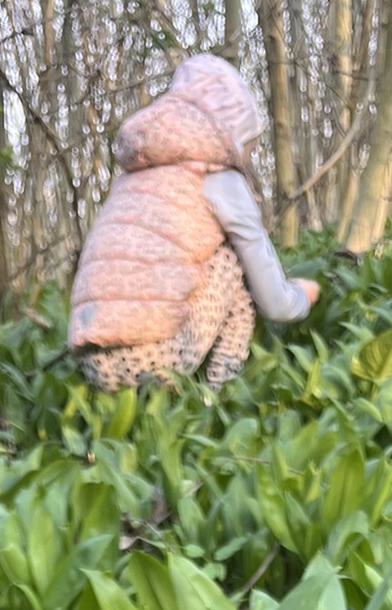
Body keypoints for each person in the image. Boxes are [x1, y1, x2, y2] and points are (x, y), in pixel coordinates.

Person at [69, 54, 320, 393]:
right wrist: (301, 296)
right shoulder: (215, 176)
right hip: (158, 361)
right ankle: (219, 393)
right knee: (233, 260)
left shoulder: (131, 180)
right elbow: (274, 303)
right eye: (248, 147)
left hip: (91, 360)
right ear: (231, 134)